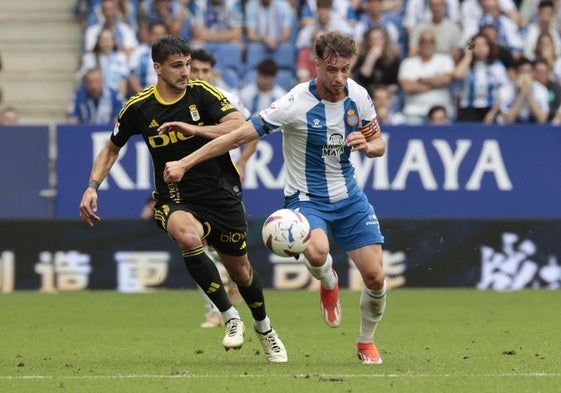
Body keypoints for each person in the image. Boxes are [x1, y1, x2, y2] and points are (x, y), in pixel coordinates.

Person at [157, 31, 388, 365]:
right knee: (318, 250)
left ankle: (365, 341)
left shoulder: (359, 96)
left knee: (376, 278)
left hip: (350, 197)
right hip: (306, 199)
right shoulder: (294, 104)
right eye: (332, 69)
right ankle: (328, 279)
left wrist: (369, 147)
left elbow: (378, 142)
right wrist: (186, 159)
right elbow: (237, 136)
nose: (339, 78)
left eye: (345, 70)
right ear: (317, 63)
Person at [78, 35, 287, 363]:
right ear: (157, 67)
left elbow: (238, 126)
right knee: (188, 236)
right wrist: (92, 185)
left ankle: (264, 328)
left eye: (188, 64)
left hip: (220, 194)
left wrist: (196, 130)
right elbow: (112, 146)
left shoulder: (203, 94)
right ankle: (230, 316)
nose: (186, 72)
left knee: (242, 271)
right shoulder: (139, 107)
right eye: (178, 66)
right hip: (174, 197)